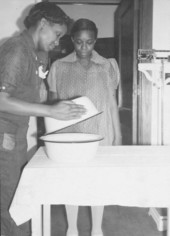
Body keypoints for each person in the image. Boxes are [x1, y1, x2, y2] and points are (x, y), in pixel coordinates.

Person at [0, 3, 86, 236]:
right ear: (43, 23)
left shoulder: (39, 54)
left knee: (18, 203)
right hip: (3, 137)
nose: (58, 42)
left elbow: (34, 98)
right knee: (11, 208)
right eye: (57, 34)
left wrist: (56, 108)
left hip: (15, 135)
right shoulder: (16, 49)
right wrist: (49, 111)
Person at [47, 18, 122, 236]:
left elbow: (111, 103)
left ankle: (97, 229)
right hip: (69, 134)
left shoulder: (108, 65)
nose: (83, 48)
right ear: (72, 40)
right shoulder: (59, 67)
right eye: (79, 42)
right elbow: (52, 105)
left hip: (101, 131)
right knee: (72, 181)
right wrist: (51, 136)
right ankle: (72, 229)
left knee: (98, 181)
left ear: (95, 41)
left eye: (89, 42)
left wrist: (118, 136)